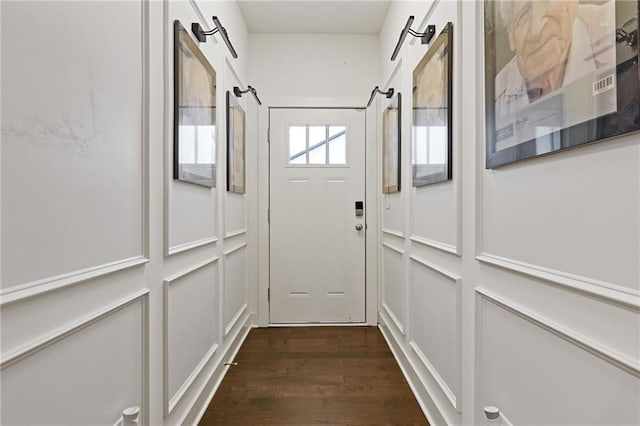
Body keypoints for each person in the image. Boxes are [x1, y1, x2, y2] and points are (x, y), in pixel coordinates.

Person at [495, 0, 616, 115]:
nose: (536, 31)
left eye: (546, 1)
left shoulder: (615, 32)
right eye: (523, 15)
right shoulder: (497, 97)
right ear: (511, 36)